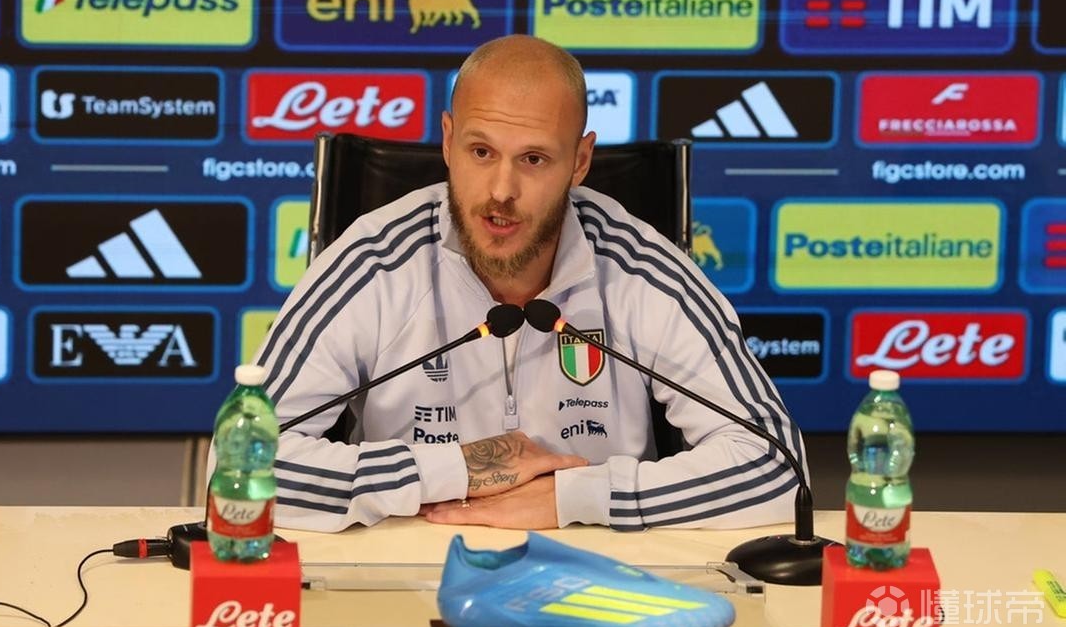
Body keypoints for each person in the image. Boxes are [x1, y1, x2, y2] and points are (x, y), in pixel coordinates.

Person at [254, 35, 806, 533]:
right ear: (448, 142)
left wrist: (579, 497)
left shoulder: (641, 270)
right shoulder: (374, 261)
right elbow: (242, 465)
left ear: (580, 161)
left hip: (599, 572)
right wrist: (458, 470)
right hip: (406, 568)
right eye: (481, 152)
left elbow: (778, 466)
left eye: (534, 159)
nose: (501, 190)